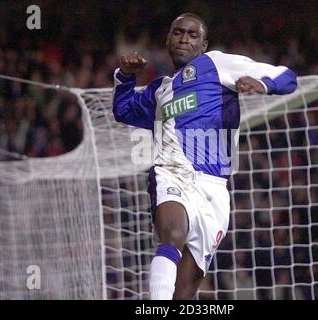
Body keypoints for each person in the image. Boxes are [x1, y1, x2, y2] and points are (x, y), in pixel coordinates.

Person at [112, 12, 297, 300]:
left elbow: (287, 77)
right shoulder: (158, 90)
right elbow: (123, 110)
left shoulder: (217, 64)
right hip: (172, 172)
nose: (184, 38)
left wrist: (263, 85)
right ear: (168, 39)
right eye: (178, 32)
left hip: (214, 191)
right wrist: (125, 77)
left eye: (192, 34)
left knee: (184, 293)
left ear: (204, 44)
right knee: (172, 234)